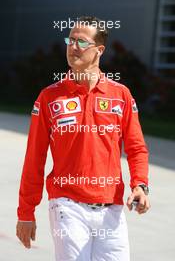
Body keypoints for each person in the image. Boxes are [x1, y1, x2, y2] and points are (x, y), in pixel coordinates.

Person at [16, 16, 150, 261]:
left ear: (99, 50)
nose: (73, 46)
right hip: (67, 205)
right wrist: (26, 212)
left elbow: (136, 147)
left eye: (81, 41)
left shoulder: (121, 95)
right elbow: (34, 157)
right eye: (70, 40)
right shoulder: (49, 97)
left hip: (112, 206)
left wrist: (140, 185)